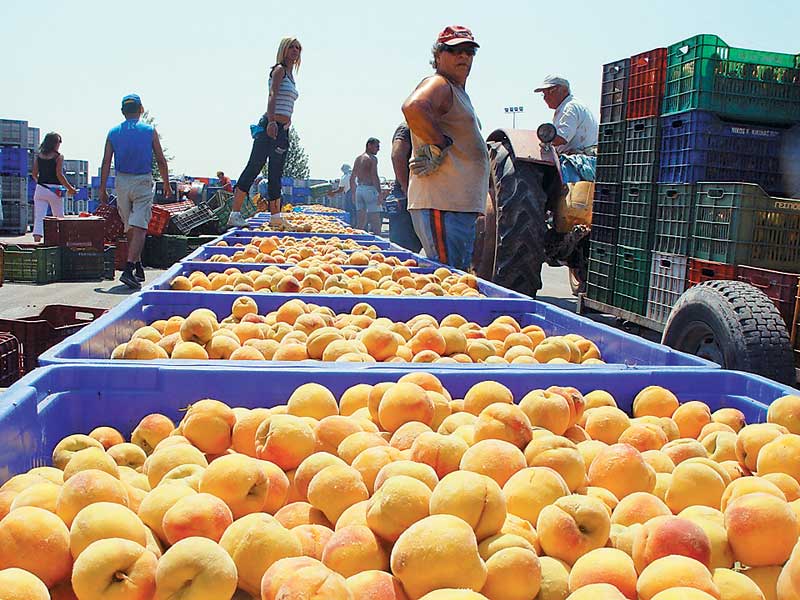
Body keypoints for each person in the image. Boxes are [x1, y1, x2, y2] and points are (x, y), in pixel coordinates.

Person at [401, 25, 488, 271]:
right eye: (455, 50)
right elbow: (414, 107)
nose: (463, 56)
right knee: (446, 277)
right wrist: (438, 144)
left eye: (469, 51)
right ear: (438, 56)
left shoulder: (457, 92)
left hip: (454, 206)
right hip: (443, 205)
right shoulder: (439, 83)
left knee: (452, 276)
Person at [99, 93, 171, 290]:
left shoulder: (113, 132)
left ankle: (137, 264)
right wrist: (166, 182)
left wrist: (102, 188)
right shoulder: (149, 130)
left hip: (121, 181)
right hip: (142, 181)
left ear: (123, 112)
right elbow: (160, 159)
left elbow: (106, 161)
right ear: (141, 109)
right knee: (140, 226)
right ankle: (129, 268)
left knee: (130, 226)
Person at [228, 37, 302, 228]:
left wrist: (287, 121)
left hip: (283, 129)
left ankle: (275, 216)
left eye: (297, 48)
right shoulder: (279, 70)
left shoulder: (291, 75)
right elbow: (272, 95)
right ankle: (235, 213)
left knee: (276, 172)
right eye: (291, 47)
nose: (295, 50)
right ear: (284, 50)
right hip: (271, 126)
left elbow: (287, 103)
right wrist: (271, 121)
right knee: (255, 166)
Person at [534, 75, 598, 181]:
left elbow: (561, 138)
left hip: (577, 163)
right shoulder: (570, 106)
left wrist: (542, 142)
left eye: (550, 91)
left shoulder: (570, 108)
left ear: (564, 90)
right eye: (544, 94)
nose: (545, 97)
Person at [30, 132, 78, 242]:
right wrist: (70, 188)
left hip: (40, 189)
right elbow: (59, 175)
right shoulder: (58, 157)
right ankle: (62, 242)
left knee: (39, 217)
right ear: (55, 143)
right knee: (59, 216)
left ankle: (37, 241)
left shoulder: (39, 156)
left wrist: (41, 183)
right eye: (59, 142)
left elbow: (34, 174)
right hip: (55, 190)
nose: (59, 144)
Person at [386, 122, 422, 252]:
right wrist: (406, 187)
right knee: (403, 249)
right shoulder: (407, 127)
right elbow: (397, 155)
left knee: (413, 246)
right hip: (405, 194)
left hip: (415, 194)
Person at [352, 138, 382, 234]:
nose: (378, 149)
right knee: (376, 221)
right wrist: (380, 193)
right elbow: (374, 176)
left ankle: (355, 240)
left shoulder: (358, 158)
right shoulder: (372, 159)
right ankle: (379, 246)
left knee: (360, 222)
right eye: (377, 146)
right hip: (369, 189)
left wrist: (353, 193)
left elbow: (352, 177)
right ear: (369, 145)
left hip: (359, 189)